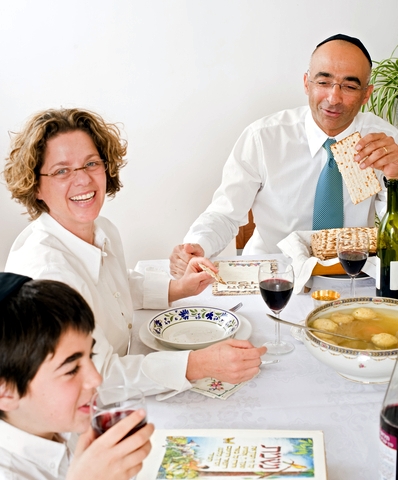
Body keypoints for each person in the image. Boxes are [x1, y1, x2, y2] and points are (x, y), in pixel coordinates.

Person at [3, 108, 265, 399]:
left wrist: (176, 288)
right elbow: (96, 379)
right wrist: (197, 364)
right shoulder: (47, 272)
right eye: (62, 170)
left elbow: (114, 287)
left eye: (91, 163)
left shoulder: (100, 229)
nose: (83, 180)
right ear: (36, 185)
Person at [169, 34, 398, 278]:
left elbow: (390, 226)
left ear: (367, 94)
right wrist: (196, 245)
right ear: (306, 83)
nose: (334, 98)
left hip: (351, 275)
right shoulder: (263, 138)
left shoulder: (385, 144)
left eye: (350, 86)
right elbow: (225, 213)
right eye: (323, 82)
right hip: (273, 274)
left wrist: (396, 178)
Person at [0, 272, 154, 480]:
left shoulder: (62, 424)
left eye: (90, 355)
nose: (96, 379)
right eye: (71, 369)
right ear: (5, 392)